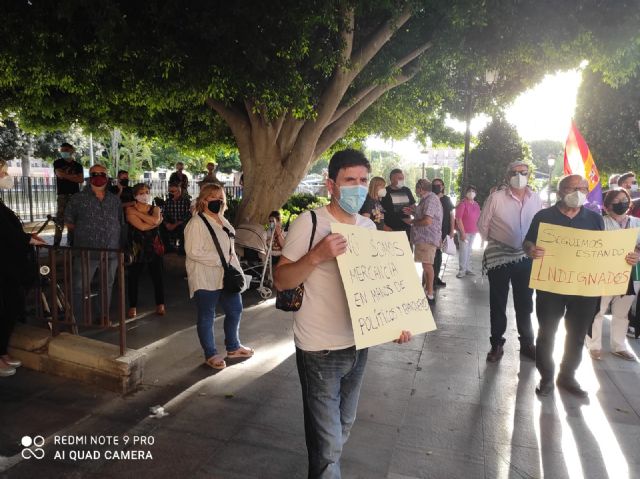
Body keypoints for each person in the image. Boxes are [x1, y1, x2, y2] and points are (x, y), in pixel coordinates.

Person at [274, 149, 412, 478]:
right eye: (349, 180)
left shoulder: (368, 226)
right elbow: (281, 280)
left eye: (363, 180)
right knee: (327, 443)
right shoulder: (310, 222)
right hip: (318, 347)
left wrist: (396, 322)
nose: (358, 187)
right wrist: (317, 255)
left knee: (342, 427)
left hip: (357, 345)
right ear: (331, 185)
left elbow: (379, 285)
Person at [525, 175, 638, 397]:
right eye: (572, 188)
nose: (579, 192)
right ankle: (546, 377)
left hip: (584, 289)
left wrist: (627, 258)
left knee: (577, 335)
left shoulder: (595, 219)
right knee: (547, 333)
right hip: (551, 285)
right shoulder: (544, 216)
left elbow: (605, 251)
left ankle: (567, 377)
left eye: (583, 188)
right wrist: (531, 249)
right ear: (560, 192)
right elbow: (528, 241)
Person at [477, 161, 542, 363]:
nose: (519, 175)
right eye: (514, 172)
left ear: (529, 175)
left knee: (525, 303)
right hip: (499, 258)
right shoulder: (496, 198)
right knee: (498, 303)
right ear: (507, 176)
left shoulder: (536, 199)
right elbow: (483, 225)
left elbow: (540, 225)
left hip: (525, 257)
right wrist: (499, 241)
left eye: (523, 172)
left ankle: (527, 343)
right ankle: (496, 344)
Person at [184, 183, 253, 370]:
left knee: (235, 309)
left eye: (220, 197)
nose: (218, 201)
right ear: (203, 200)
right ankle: (211, 353)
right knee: (207, 316)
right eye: (213, 198)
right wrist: (220, 261)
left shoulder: (223, 220)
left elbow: (229, 250)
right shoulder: (196, 223)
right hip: (205, 277)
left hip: (227, 276)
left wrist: (235, 269)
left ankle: (233, 347)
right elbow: (193, 252)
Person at [0, 160, 46, 377]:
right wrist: (27, 240)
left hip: (9, 266)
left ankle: (2, 353)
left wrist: (26, 238)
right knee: (7, 308)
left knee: (12, 306)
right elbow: (6, 233)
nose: (6, 176)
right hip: (5, 266)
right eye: (3, 172)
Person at [65, 164, 124, 324]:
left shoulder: (114, 200)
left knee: (107, 286)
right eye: (94, 174)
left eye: (102, 174)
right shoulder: (77, 198)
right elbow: (69, 223)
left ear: (107, 177)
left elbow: (120, 222)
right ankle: (75, 319)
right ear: (89, 177)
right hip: (86, 251)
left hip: (111, 251)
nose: (98, 177)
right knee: (79, 286)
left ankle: (103, 316)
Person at [585, 188, 640, 360]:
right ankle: (594, 345)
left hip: (631, 274)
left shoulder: (637, 223)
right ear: (608, 206)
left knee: (622, 313)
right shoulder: (601, 222)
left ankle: (619, 345)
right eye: (616, 201)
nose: (621, 203)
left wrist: (637, 253)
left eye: (624, 199)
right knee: (599, 310)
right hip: (604, 273)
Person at [125, 183, 165, 319]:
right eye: (141, 193)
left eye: (147, 192)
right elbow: (141, 227)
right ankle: (132, 306)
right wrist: (155, 223)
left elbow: (154, 219)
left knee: (158, 277)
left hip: (154, 247)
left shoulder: (155, 208)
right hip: (137, 248)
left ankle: (160, 304)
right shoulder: (129, 210)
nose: (145, 195)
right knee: (133, 278)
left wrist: (153, 221)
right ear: (135, 195)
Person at [411, 179, 443, 304]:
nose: (415, 190)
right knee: (426, 264)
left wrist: (413, 222)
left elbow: (427, 221)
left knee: (427, 265)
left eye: (416, 188)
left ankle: (430, 294)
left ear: (420, 188)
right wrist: (414, 211)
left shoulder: (430, 199)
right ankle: (426, 290)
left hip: (427, 238)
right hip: (425, 238)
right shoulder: (427, 199)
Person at [53, 142, 84, 246]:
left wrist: (65, 175)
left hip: (75, 195)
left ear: (72, 150)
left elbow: (81, 180)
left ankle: (71, 243)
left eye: (66, 150)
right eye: (62, 151)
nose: (64, 152)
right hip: (62, 194)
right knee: (60, 219)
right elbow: (59, 174)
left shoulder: (78, 165)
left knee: (73, 218)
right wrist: (73, 177)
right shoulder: (58, 163)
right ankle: (56, 243)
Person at [431, 178, 455, 287]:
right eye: (434, 185)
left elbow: (451, 216)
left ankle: (436, 277)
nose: (437, 187)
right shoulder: (430, 198)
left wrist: (451, 231)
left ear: (443, 186)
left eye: (439, 185)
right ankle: (431, 278)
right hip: (432, 231)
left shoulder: (446, 199)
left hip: (443, 230)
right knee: (433, 254)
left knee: (438, 254)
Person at [380, 168, 415, 239]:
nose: (402, 180)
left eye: (403, 178)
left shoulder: (406, 190)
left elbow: (413, 207)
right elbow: (379, 211)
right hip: (390, 229)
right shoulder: (384, 192)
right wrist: (383, 225)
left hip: (406, 229)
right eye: (399, 178)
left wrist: (413, 212)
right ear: (392, 179)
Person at [455, 185, 481, 278]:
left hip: (473, 232)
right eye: (469, 191)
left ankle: (467, 268)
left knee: (469, 251)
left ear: (476, 193)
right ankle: (462, 270)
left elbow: (478, 217)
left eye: (473, 191)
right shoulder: (462, 204)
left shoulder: (476, 205)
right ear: (466, 193)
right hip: (464, 232)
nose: (471, 192)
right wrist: (462, 233)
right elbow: (458, 219)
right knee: (463, 251)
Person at [160, 183, 192, 254]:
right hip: (170, 223)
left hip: (181, 224)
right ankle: (168, 247)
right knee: (160, 226)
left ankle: (182, 249)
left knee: (184, 227)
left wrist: (176, 224)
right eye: (170, 192)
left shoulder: (186, 202)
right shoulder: (167, 202)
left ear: (179, 192)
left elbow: (188, 215)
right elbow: (163, 214)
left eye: (173, 192)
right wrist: (167, 224)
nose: (171, 194)